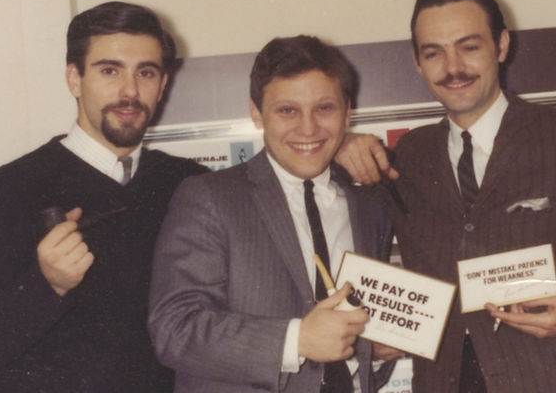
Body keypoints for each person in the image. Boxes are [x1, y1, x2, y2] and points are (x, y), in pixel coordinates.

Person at [335, 0, 556, 392]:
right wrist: (339, 145)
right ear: (417, 63)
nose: (452, 67)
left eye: (469, 46)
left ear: (502, 46)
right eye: (433, 53)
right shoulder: (408, 156)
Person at [0, 1, 207, 392]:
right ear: (74, 79)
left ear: (163, 85)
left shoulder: (192, 186)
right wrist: (46, 286)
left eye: (146, 73)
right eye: (109, 70)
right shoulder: (5, 193)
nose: (130, 91)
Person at [148, 35, 393, 392]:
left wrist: (377, 347)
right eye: (287, 110)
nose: (308, 128)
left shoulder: (369, 205)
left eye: (324, 108)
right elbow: (174, 329)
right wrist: (297, 340)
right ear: (256, 113)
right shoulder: (209, 198)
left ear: (347, 112)